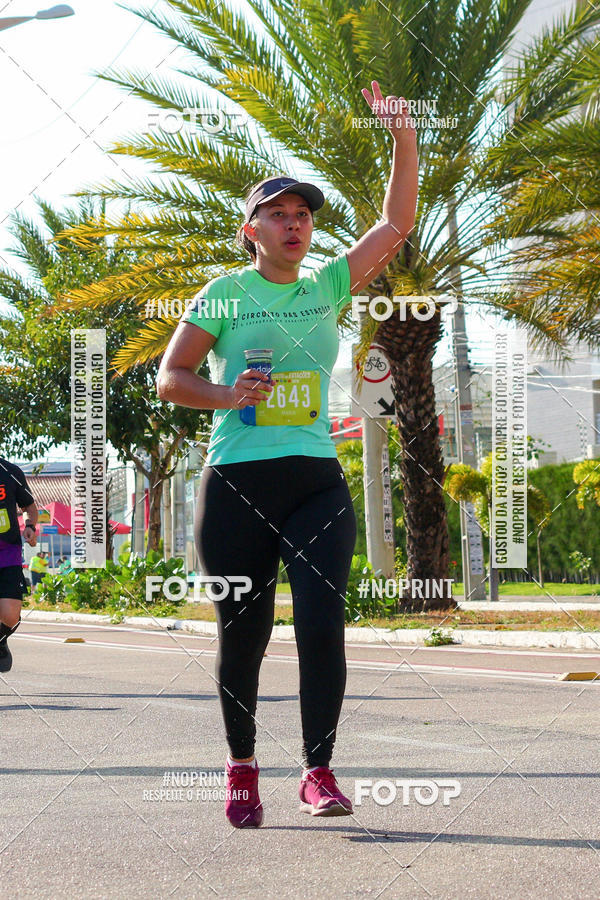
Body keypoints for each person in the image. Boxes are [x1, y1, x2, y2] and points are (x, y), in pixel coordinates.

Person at [157, 82, 418, 827]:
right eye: (279, 213)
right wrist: (230, 393)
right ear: (251, 229)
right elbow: (171, 379)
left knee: (321, 618)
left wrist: (402, 135)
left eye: (303, 214)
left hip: (314, 482)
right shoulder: (224, 293)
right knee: (243, 634)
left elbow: (395, 224)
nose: (295, 223)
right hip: (237, 482)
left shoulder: (328, 284)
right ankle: (242, 768)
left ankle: (318, 772)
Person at [0, 457, 39, 672]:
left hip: (7, 550)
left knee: (11, 617)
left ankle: (0, 639)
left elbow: (29, 506)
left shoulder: (10, 471)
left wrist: (30, 526)